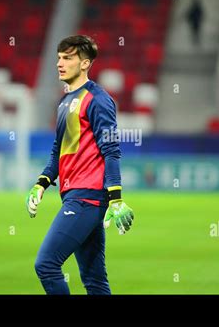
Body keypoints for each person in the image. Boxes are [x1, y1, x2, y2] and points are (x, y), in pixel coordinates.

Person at [26, 35, 134, 295]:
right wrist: (41, 183)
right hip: (75, 195)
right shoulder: (64, 102)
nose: (60, 63)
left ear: (85, 63)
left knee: (47, 264)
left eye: (68, 58)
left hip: (88, 198)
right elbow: (58, 151)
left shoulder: (98, 99)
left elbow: (111, 150)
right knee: (95, 280)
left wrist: (116, 198)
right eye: (59, 58)